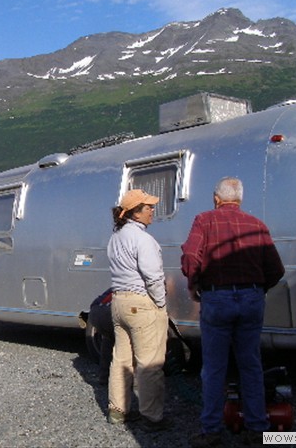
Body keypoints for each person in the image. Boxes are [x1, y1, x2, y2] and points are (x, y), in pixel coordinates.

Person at [181, 177, 285, 448]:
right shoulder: (257, 225)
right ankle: (257, 427)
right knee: (250, 365)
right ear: (239, 199)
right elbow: (276, 269)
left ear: (217, 199)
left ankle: (211, 431)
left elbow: (191, 256)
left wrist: (194, 286)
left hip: (217, 298)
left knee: (214, 367)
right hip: (251, 299)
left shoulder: (204, 220)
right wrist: (257, 290)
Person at [106, 189, 172, 432]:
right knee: (150, 363)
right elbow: (153, 277)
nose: (152, 211)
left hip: (119, 301)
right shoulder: (144, 240)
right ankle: (152, 417)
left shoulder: (116, 238)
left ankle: (117, 410)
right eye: (148, 207)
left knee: (121, 358)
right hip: (141, 303)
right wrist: (161, 303)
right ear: (135, 213)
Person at [88, 288, 114, 385]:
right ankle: (132, 381)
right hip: (111, 312)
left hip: (96, 312)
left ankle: (104, 377)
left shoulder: (119, 284)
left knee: (108, 339)